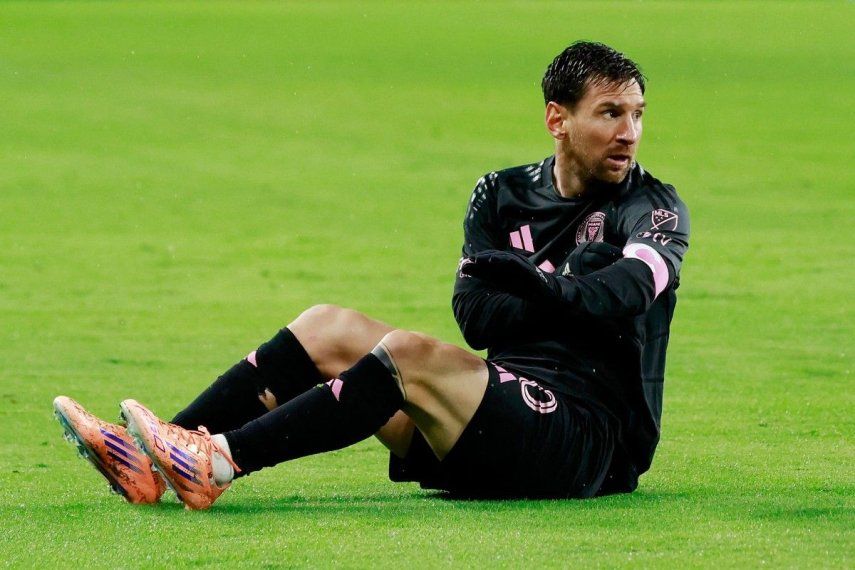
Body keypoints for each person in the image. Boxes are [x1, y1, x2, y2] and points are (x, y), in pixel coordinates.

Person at [54, 41, 689, 510]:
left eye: (637, 114)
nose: (629, 133)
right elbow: (475, 314)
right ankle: (149, 461)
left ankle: (219, 460)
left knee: (407, 354)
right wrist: (558, 299)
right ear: (559, 119)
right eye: (610, 113)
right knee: (328, 326)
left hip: (586, 438)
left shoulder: (651, 207)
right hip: (499, 408)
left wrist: (544, 288)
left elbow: (631, 287)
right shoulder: (501, 193)